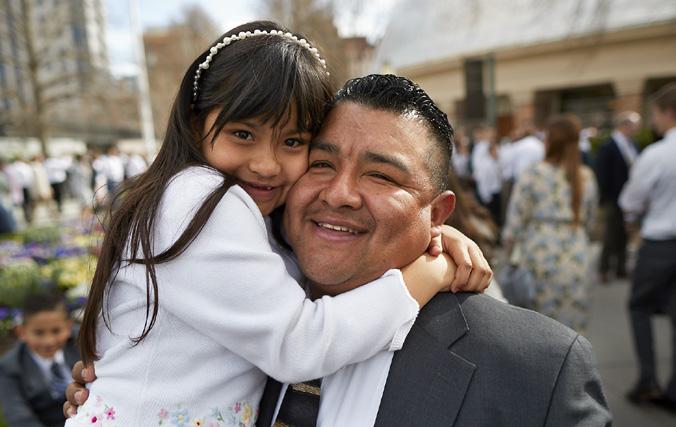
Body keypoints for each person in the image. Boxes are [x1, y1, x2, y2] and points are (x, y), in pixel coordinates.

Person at [68, 74, 611, 426]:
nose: (339, 193)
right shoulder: (246, 295)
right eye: (321, 163)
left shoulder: (536, 370)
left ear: (438, 213)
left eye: (380, 175)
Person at [63, 23, 489, 426]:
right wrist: (432, 270)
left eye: (292, 142)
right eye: (243, 135)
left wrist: (426, 234)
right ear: (198, 125)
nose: (266, 164)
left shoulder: (247, 209)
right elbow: (298, 344)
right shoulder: (199, 196)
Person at [502, 114, 598, 333]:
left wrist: (509, 256)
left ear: (550, 141)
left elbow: (514, 222)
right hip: (577, 253)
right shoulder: (586, 176)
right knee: (572, 328)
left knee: (541, 328)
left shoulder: (534, 173)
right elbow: (591, 222)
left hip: (539, 253)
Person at [619, 83, 676, 412]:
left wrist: (633, 217)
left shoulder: (657, 154)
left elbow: (631, 199)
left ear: (668, 113)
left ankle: (648, 380)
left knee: (640, 306)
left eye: (655, 114)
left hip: (660, 242)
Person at [0, 291, 79, 427]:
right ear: (21, 332)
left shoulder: (82, 343)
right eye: (39, 333)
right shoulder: (10, 367)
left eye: (56, 331)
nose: (49, 341)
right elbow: (19, 418)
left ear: (68, 327)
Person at [596, 111, 640, 282]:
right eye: (634, 126)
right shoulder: (608, 146)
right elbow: (602, 173)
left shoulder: (633, 145)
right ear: (624, 125)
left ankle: (621, 267)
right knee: (610, 235)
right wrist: (606, 197)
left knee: (624, 234)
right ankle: (604, 269)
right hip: (613, 198)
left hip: (630, 198)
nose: (636, 130)